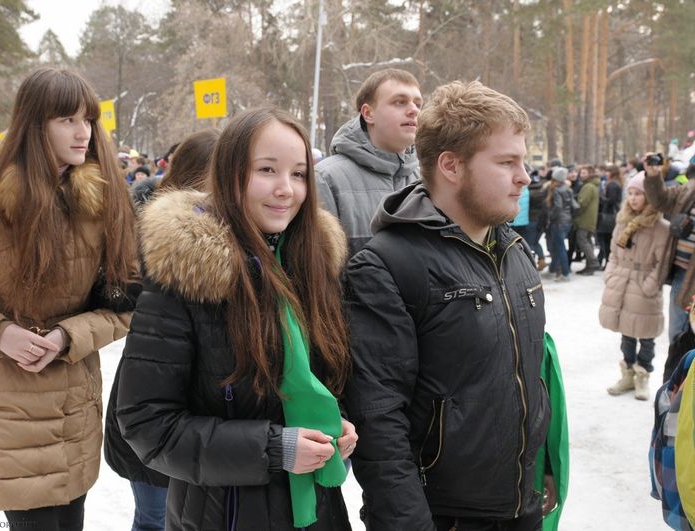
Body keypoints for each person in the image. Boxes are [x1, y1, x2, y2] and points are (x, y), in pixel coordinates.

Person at [0, 67, 138, 530]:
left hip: (73, 403)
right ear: (34, 124)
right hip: (5, 401)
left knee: (71, 518)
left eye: (88, 119)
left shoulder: (102, 199)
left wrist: (68, 336)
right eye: (66, 120)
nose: (83, 132)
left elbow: (128, 300)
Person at [115, 106, 356, 531]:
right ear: (229, 173)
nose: (286, 189)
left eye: (299, 174)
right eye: (267, 170)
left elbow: (320, 383)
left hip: (318, 511)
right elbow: (147, 424)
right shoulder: (186, 277)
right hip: (220, 516)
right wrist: (273, 448)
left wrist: (336, 424)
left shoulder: (313, 267)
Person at [343, 80, 550, 530]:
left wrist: (542, 468)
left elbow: (527, 376)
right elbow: (378, 421)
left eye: (523, 160)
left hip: (521, 505)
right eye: (506, 162)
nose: (525, 177)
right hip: (444, 516)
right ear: (451, 166)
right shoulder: (386, 265)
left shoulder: (513, 250)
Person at [104, 127, 219, 531]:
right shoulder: (154, 230)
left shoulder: (236, 235)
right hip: (154, 397)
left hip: (200, 412)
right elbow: (115, 293)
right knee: (155, 516)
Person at [316, 68, 422, 256]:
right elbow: (321, 272)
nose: (413, 110)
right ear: (368, 113)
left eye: (418, 104)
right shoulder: (326, 179)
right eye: (400, 102)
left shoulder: (427, 179)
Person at [599, 173, 669, 400]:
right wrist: (610, 276)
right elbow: (613, 254)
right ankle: (627, 374)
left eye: (639, 193)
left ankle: (642, 376)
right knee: (627, 335)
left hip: (643, 289)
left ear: (649, 196)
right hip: (621, 284)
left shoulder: (661, 227)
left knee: (646, 337)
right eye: (630, 193)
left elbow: (662, 264)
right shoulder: (622, 222)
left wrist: (649, 286)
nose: (633, 198)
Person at [644, 156, 695, 343]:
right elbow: (660, 200)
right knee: (678, 335)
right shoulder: (687, 190)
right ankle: (678, 370)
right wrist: (653, 175)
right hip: (683, 273)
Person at [546, 167, 575, 282]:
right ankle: (553, 270)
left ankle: (565, 273)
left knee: (560, 248)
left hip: (558, 222)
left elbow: (558, 207)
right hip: (567, 221)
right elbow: (575, 205)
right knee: (558, 247)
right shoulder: (568, 189)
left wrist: (551, 218)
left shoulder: (556, 190)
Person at [572, 165, 601, 275]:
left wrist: (575, 213)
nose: (581, 175)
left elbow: (582, 203)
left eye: (584, 173)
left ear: (590, 174)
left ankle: (593, 263)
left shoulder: (588, 186)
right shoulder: (592, 185)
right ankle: (589, 266)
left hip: (584, 219)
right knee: (587, 241)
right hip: (589, 219)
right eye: (581, 173)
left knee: (583, 241)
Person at [596, 165, 623, 269]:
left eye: (608, 171)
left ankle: (608, 263)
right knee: (606, 241)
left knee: (606, 241)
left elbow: (611, 200)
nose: (606, 173)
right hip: (612, 214)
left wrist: (601, 198)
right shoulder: (615, 183)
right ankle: (606, 261)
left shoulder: (612, 185)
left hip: (609, 215)